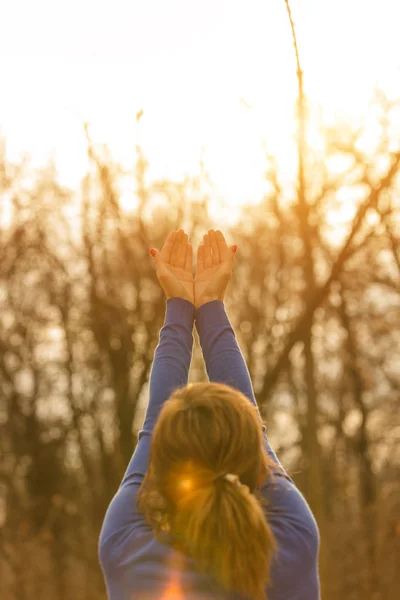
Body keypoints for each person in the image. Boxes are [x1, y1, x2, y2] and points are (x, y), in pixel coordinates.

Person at [99, 229, 321, 600]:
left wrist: (181, 304)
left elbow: (156, 419)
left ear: (164, 467)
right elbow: (247, 424)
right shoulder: (293, 542)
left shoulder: (127, 552)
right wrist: (210, 306)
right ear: (252, 456)